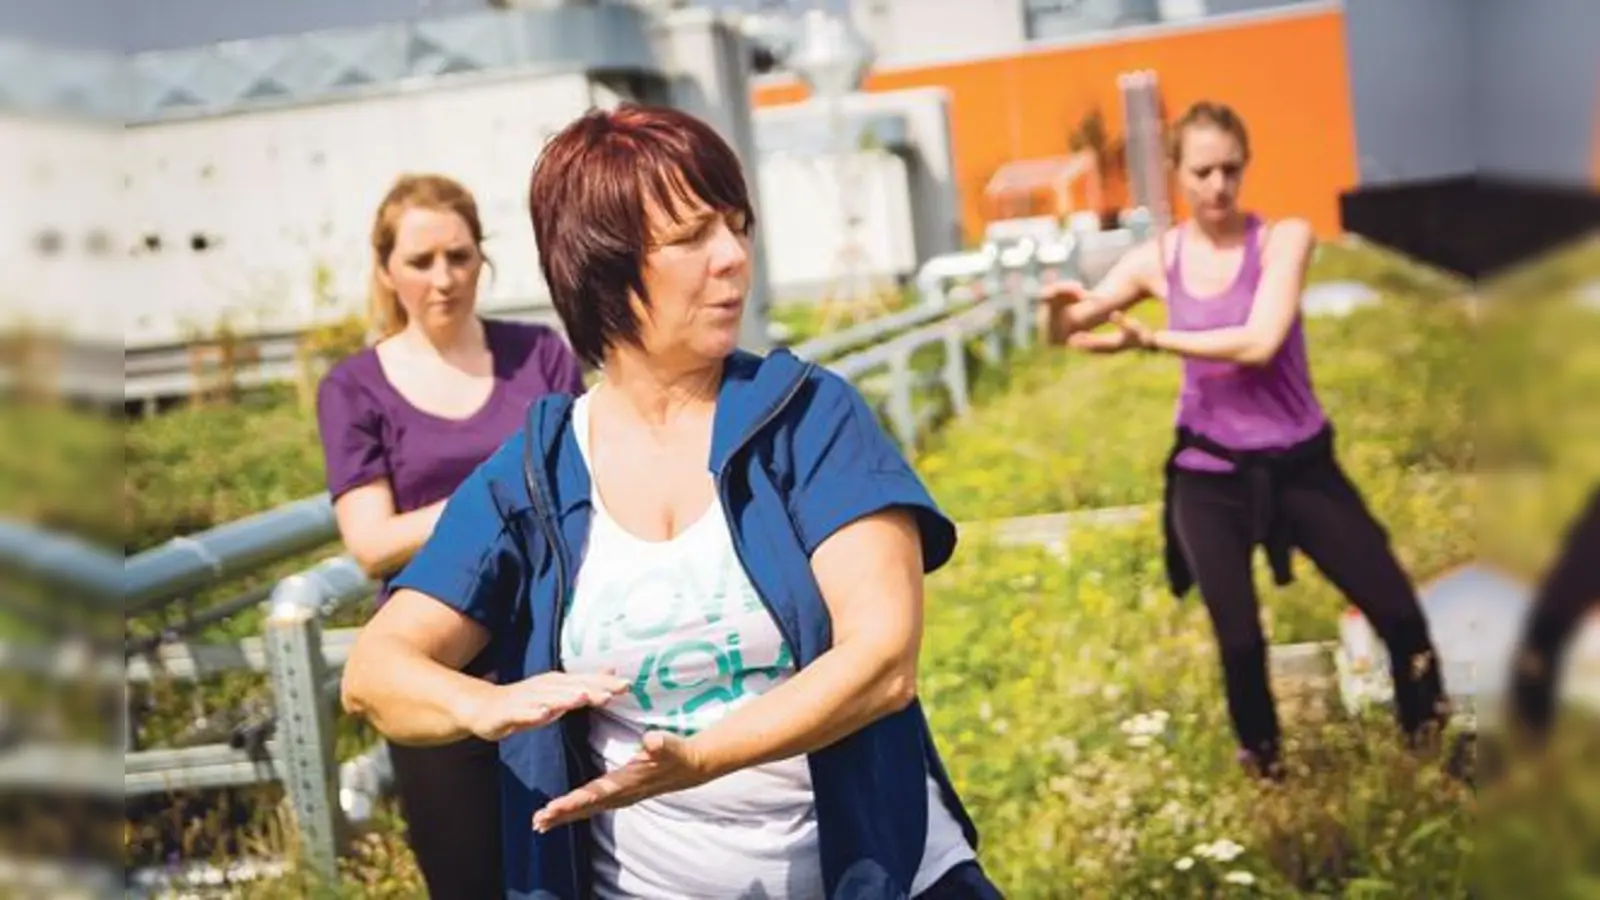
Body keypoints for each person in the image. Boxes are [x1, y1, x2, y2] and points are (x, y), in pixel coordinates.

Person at [338, 105, 999, 900]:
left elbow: (883, 663)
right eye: (692, 237)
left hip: (884, 877)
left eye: (737, 225)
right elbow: (376, 672)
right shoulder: (538, 472)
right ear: (602, 267)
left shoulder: (807, 418)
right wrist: (486, 704)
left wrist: (703, 758)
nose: (733, 258)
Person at [1038, 100, 1451, 779]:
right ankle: (1268, 776)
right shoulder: (1155, 260)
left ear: (1246, 166)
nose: (1218, 186)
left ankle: (1429, 759)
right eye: (1202, 171)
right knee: (1239, 644)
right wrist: (1053, 313)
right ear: (1175, 173)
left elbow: (1260, 341)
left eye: (1230, 169)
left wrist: (1151, 340)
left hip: (1300, 465)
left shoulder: (1284, 239)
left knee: (1400, 616)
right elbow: (1071, 331)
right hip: (1209, 474)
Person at [315, 173, 587, 898]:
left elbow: (587, 474)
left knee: (578, 866)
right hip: (437, 663)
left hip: (555, 643)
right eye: (421, 261)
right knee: (469, 877)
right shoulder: (354, 388)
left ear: (482, 259)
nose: (444, 279)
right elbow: (370, 542)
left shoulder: (542, 356)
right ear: (386, 272)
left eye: (460, 257)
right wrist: (502, 493)